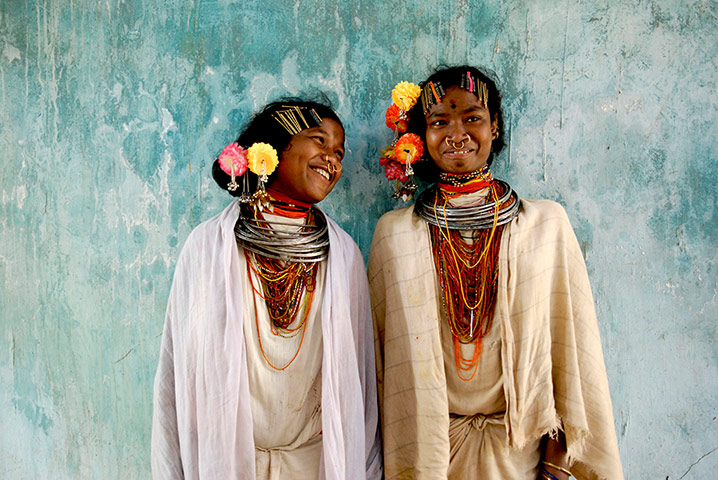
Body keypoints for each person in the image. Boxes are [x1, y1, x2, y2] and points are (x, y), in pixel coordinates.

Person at [369, 66, 623, 479]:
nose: (456, 134)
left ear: (495, 126)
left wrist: (557, 466)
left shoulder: (545, 225)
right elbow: (380, 373)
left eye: (472, 117)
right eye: (439, 122)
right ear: (417, 137)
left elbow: (571, 355)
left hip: (520, 453)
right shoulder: (394, 235)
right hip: (426, 457)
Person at [152, 99, 382, 479]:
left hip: (317, 463)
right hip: (230, 461)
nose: (332, 159)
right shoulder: (209, 247)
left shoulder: (343, 256)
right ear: (276, 146)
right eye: (319, 141)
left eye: (339, 151)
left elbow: (358, 383)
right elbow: (181, 377)